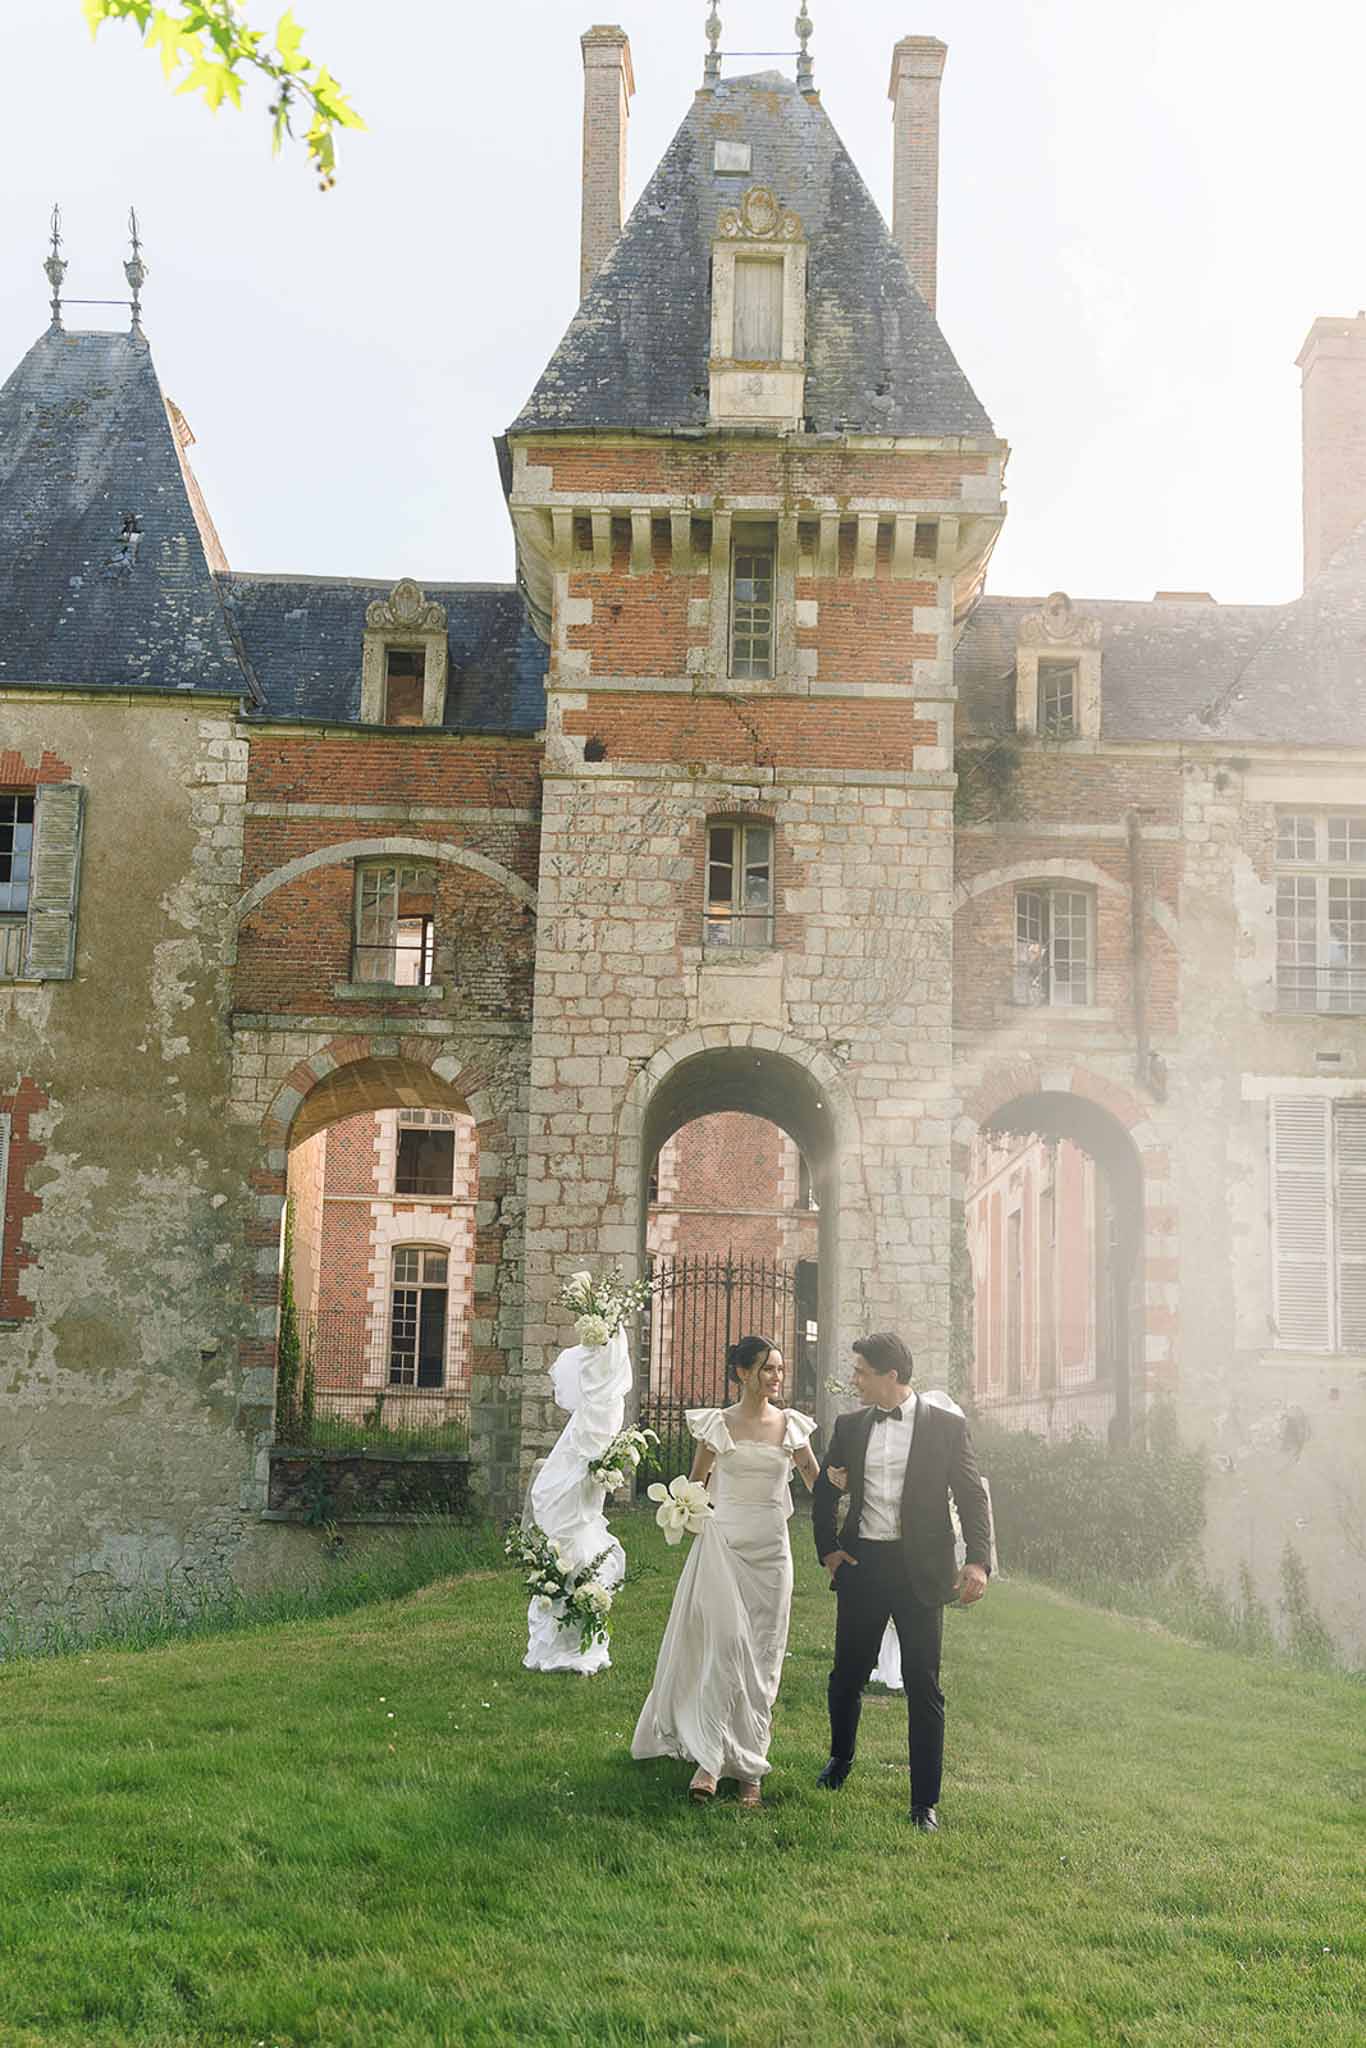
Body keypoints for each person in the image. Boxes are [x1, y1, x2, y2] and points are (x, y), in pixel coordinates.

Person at [812, 1331, 991, 1832]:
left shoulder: (947, 1428)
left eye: (862, 1372)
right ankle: (840, 1759)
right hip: (863, 1565)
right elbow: (825, 1490)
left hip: (921, 1571)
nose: (855, 1380)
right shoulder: (849, 1426)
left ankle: (923, 1804)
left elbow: (972, 1497)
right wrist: (828, 1549)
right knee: (846, 1675)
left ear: (891, 1376)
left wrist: (978, 1561)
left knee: (923, 1684)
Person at [632, 1335, 818, 1808]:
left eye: (779, 1368)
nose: (776, 1377)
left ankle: (750, 1766)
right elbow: (696, 1486)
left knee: (762, 1656)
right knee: (724, 1646)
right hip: (725, 1546)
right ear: (741, 1373)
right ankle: (710, 1760)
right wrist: (685, 1513)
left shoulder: (792, 1426)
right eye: (767, 1369)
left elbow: (820, 1483)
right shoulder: (718, 1425)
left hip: (772, 1552)